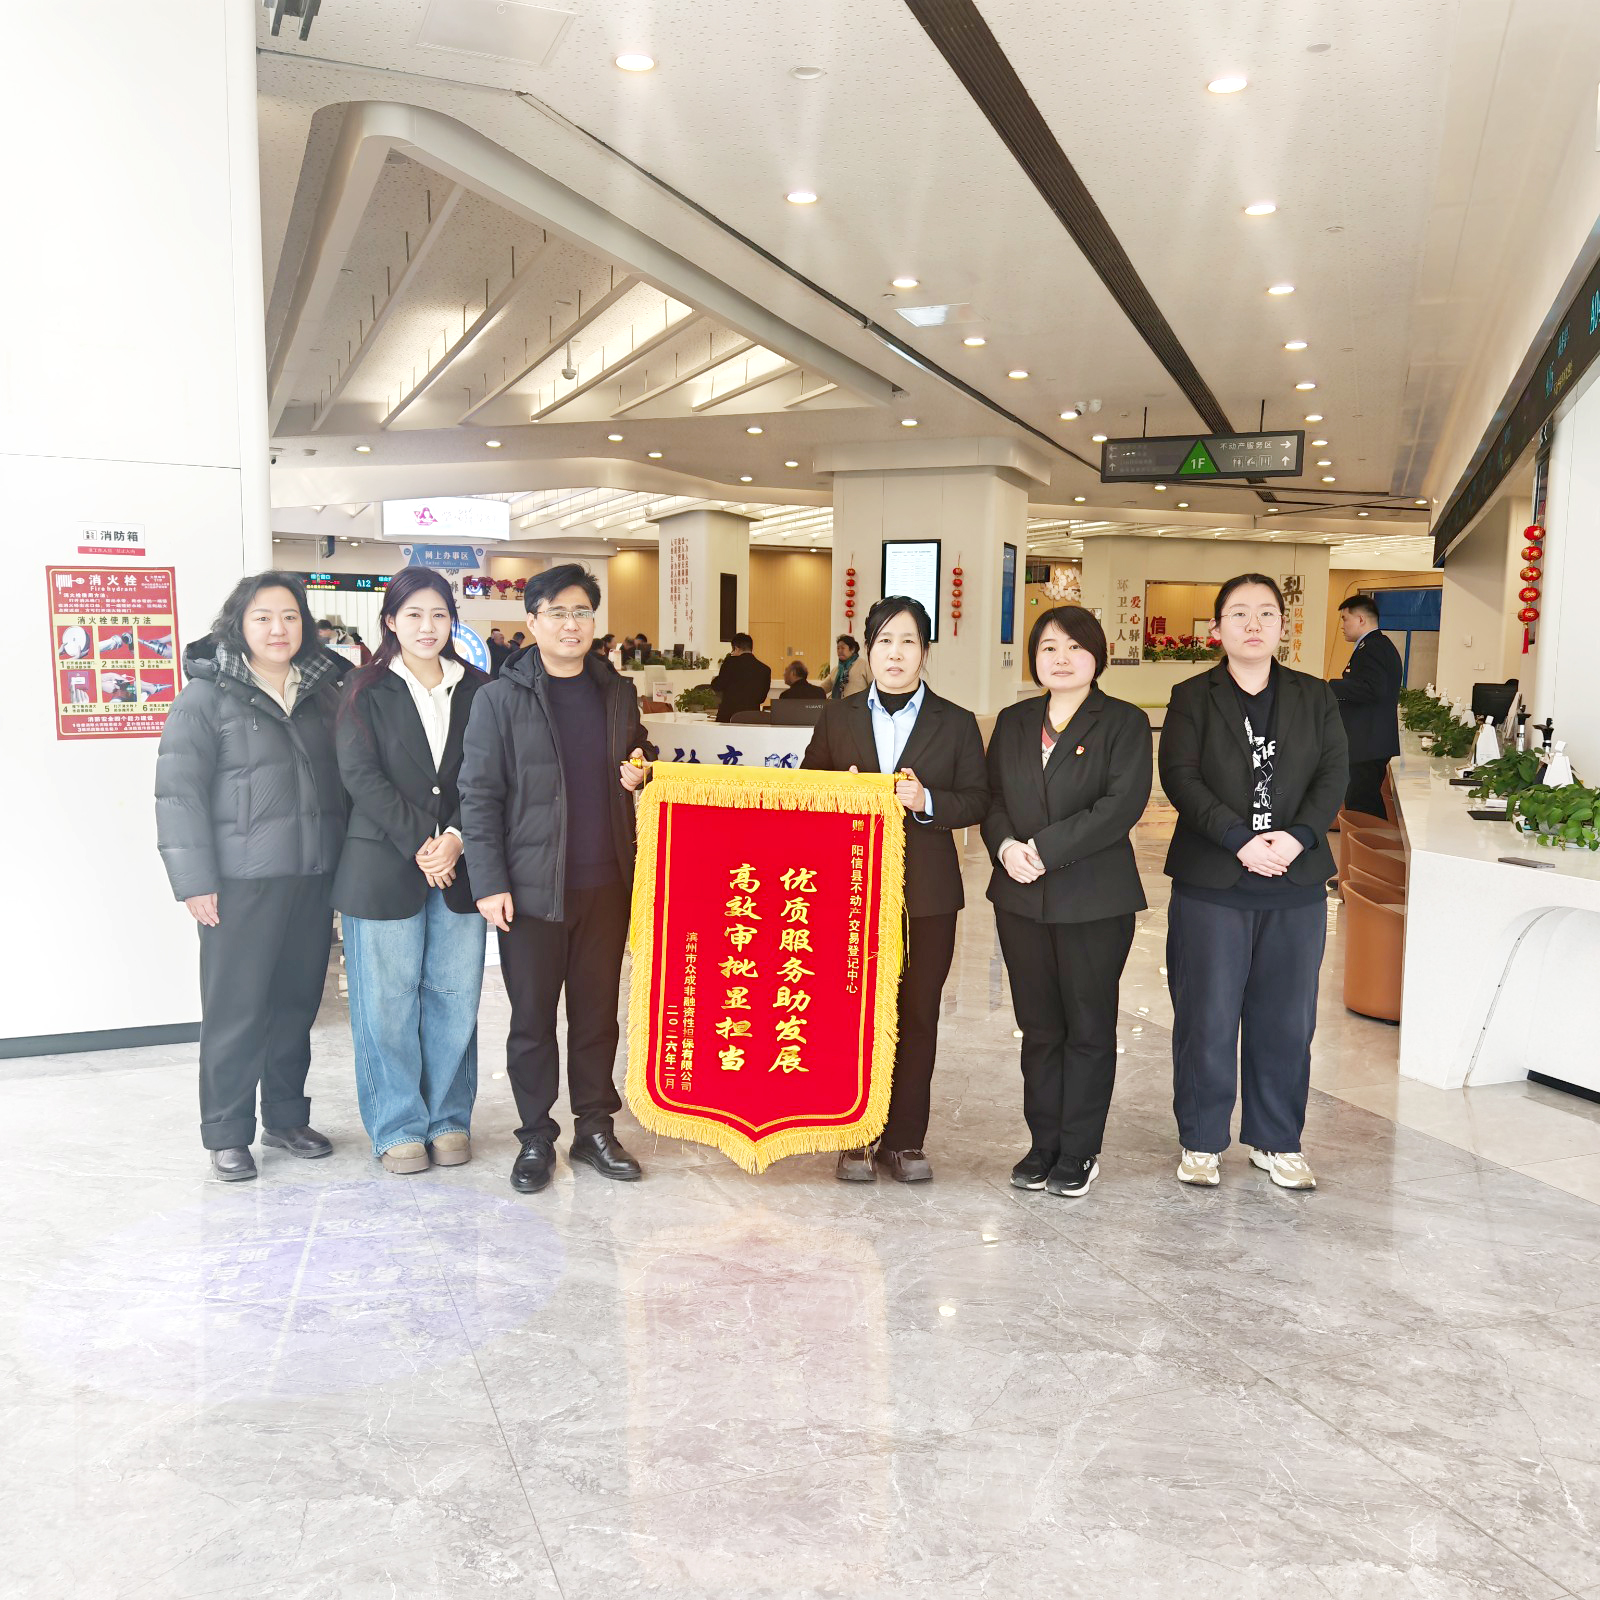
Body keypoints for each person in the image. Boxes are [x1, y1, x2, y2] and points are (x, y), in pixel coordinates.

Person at [459, 564, 655, 1195]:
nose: (572, 625)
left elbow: (639, 753)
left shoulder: (616, 692)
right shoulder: (498, 698)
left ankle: (594, 1128)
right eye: (558, 613)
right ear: (533, 621)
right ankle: (536, 1135)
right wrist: (489, 882)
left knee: (597, 1016)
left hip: (606, 884)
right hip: (530, 889)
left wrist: (643, 770)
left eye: (582, 613)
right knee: (532, 1019)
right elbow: (478, 796)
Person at [154, 572, 350, 1181]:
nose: (277, 629)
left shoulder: (324, 692)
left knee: (295, 1006)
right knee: (236, 1010)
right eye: (263, 617)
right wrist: (194, 881)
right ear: (238, 624)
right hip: (239, 885)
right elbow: (178, 794)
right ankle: (227, 1132)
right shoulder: (205, 696)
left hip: (310, 878)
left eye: (290, 617)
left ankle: (286, 1118)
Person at [1160, 574, 1348, 1192]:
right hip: (1214, 881)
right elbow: (1181, 778)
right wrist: (1238, 839)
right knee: (1206, 1016)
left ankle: (1277, 1140)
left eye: (1266, 613)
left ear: (1282, 626)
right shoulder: (1192, 696)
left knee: (1287, 1020)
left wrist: (1299, 837)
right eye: (1239, 613)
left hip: (1294, 881)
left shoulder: (1315, 696)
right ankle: (1201, 1140)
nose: (1253, 624)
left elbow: (1333, 773)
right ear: (1217, 628)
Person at [802, 595, 988, 1182]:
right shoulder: (838, 717)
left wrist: (926, 799)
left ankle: (906, 1139)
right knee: (853, 1013)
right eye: (884, 641)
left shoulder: (955, 722)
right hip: (852, 892)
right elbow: (807, 789)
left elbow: (977, 801)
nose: (895, 653)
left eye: (908, 641)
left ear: (924, 651)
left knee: (917, 1013)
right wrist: (841, 792)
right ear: (868, 650)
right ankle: (855, 1135)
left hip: (927, 896)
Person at [983, 606, 1152, 1198]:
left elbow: (1120, 806)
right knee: (1038, 1027)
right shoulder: (1013, 721)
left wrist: (1042, 849)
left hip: (1094, 899)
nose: (1061, 658)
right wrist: (1006, 847)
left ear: (1097, 656)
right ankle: (1043, 1143)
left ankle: (1079, 1149)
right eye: (1049, 647)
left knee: (1088, 1025)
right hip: (1020, 896)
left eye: (1075, 647)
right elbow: (993, 797)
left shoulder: (1124, 722)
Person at [332, 570, 491, 1174]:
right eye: (414, 615)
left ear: (453, 622)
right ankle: (397, 1124)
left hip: (460, 866)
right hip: (383, 864)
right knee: (387, 1003)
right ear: (391, 621)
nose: (428, 627)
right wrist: (423, 842)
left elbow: (490, 774)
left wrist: (455, 838)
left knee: (454, 997)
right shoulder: (363, 687)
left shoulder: (480, 689)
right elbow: (360, 774)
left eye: (440, 615)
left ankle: (448, 1118)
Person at [1329, 594, 1402, 819]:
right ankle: (1369, 839)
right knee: (1363, 800)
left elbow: (1372, 689)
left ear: (1361, 619)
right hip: (1368, 741)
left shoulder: (1373, 647)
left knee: (1361, 803)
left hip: (1368, 741)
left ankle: (1369, 840)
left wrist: (1331, 686)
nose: (1342, 626)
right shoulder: (1373, 645)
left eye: (1345, 619)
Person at [710, 632, 773, 722]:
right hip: (752, 718)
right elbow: (762, 699)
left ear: (736, 648)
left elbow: (718, 686)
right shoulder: (765, 669)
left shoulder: (730, 663)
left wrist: (714, 680)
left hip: (728, 717)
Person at [816, 634, 867, 699]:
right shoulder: (836, 670)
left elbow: (874, 687)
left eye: (843, 648)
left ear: (852, 649)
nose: (839, 651)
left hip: (857, 704)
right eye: (838, 648)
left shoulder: (864, 665)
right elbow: (823, 688)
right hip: (836, 704)